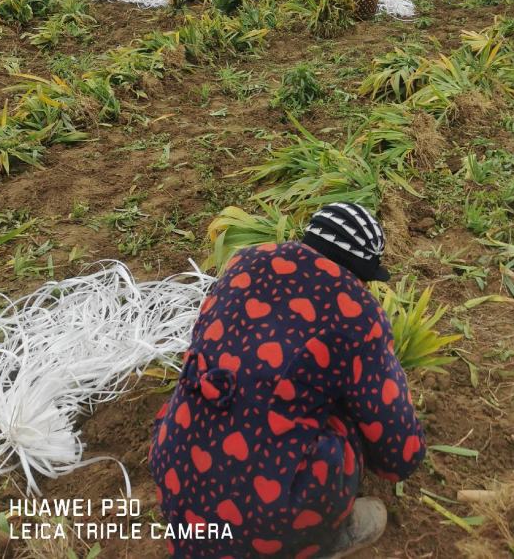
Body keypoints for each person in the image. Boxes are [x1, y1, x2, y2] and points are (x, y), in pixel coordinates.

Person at [149, 202, 426, 559]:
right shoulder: (356, 311)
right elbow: (400, 456)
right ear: (363, 270)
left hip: (177, 471)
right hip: (268, 516)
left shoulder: (244, 263)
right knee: (349, 422)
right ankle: (320, 538)